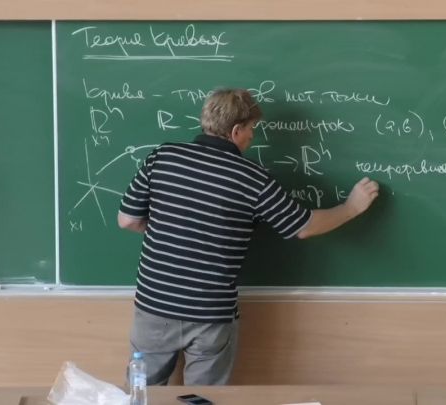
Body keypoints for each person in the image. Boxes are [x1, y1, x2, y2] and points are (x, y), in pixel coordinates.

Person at [117, 88, 379, 386]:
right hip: (210, 312)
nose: (253, 136)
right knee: (204, 399)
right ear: (236, 130)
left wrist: (171, 232)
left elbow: (127, 219)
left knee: (142, 393)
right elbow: (302, 226)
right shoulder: (252, 178)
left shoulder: (163, 157)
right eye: (252, 128)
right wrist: (351, 207)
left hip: (154, 304)